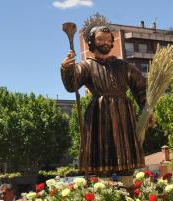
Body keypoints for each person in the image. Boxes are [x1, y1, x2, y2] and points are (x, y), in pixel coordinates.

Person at [61, 26, 147, 176]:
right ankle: (105, 192)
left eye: (108, 39)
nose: (105, 42)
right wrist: (66, 68)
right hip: (99, 116)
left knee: (126, 158)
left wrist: (147, 111)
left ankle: (129, 190)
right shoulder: (86, 65)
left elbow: (140, 89)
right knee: (103, 159)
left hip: (123, 114)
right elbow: (71, 85)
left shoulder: (124, 66)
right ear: (92, 42)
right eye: (100, 39)